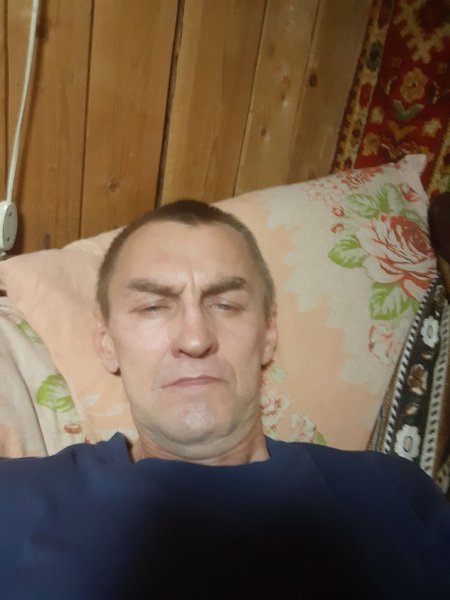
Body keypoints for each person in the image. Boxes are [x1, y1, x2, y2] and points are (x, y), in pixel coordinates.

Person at [0, 200, 449, 599]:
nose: (195, 339)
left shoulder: (393, 492)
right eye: (153, 307)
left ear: (268, 334)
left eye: (226, 304)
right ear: (106, 342)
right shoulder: (15, 499)